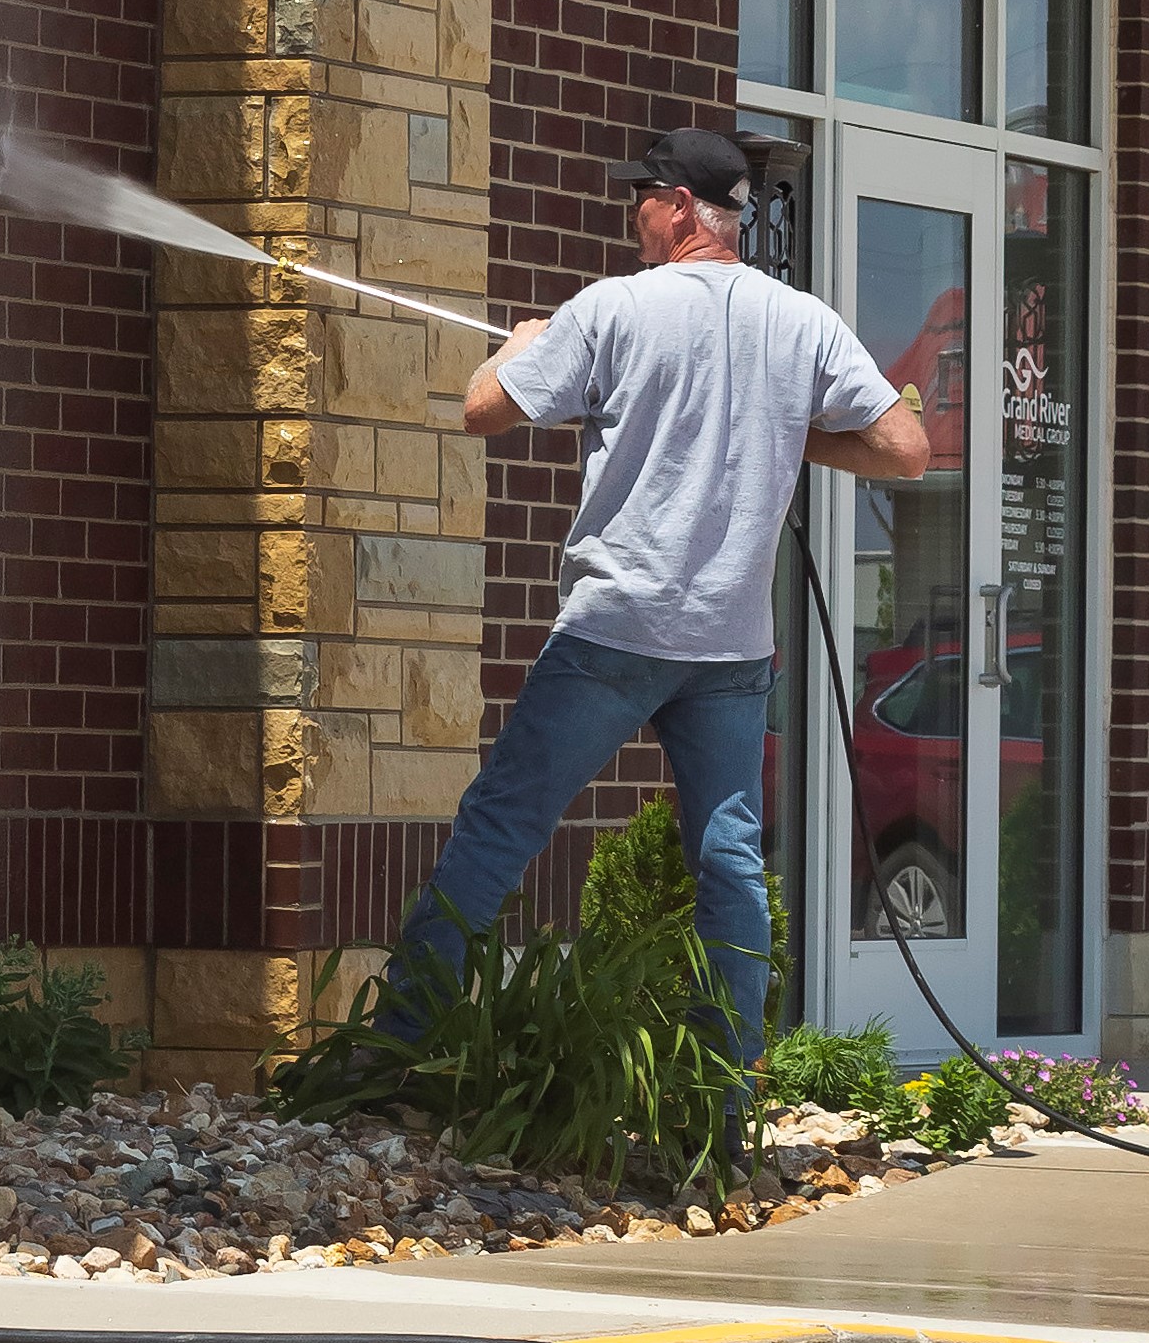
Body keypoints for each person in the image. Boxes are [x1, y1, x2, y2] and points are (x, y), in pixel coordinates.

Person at [379, 125, 931, 1068]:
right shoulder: (803, 321)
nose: (631, 209)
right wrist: (791, 434)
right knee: (728, 866)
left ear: (680, 207)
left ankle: (394, 1049)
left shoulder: (611, 309)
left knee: (503, 825)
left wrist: (514, 348)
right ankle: (727, 1082)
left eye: (642, 194)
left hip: (613, 632)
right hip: (728, 649)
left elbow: (483, 412)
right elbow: (904, 451)